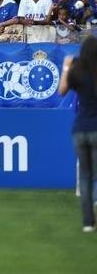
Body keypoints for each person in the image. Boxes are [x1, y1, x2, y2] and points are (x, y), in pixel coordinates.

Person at [59, 35, 97, 232]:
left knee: (85, 175)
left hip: (81, 129)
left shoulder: (76, 72)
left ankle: (88, 222)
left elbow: (61, 90)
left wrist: (66, 67)